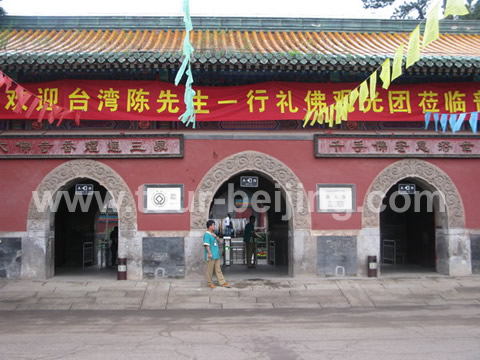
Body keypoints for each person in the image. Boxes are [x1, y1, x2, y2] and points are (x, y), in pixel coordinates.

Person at [203, 220, 231, 288]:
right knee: (209, 270)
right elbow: (207, 245)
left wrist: (215, 236)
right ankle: (209, 283)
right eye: (213, 225)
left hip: (216, 254)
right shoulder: (206, 235)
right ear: (210, 226)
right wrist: (209, 253)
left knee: (218, 269)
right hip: (211, 255)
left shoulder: (213, 234)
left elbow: (219, 240)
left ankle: (222, 281)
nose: (214, 226)